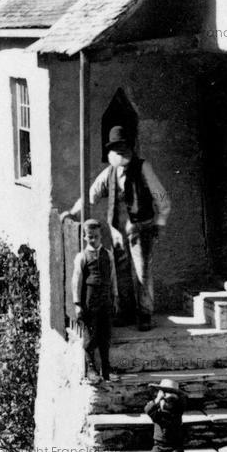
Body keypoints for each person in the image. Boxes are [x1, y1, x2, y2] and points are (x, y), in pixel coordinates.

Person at [62, 125, 171, 331]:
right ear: (110, 152)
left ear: (130, 147)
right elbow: (91, 194)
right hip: (118, 232)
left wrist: (160, 221)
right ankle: (126, 312)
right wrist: (73, 212)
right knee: (121, 271)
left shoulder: (143, 167)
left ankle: (145, 314)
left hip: (140, 228)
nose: (120, 151)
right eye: (115, 148)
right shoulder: (110, 173)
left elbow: (161, 196)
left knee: (142, 271)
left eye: (123, 147)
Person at [71, 219, 118, 382]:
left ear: (101, 236)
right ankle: (91, 368)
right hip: (90, 302)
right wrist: (77, 304)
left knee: (105, 336)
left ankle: (106, 369)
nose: (93, 240)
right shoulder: (82, 257)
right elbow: (76, 281)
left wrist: (115, 296)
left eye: (96, 236)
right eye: (90, 237)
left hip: (105, 300)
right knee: (91, 336)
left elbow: (113, 278)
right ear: (85, 237)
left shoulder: (108, 255)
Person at [145, 379, 187, 452]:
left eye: (170, 402)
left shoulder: (177, 412)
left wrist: (175, 393)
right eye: (164, 401)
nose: (166, 404)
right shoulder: (156, 414)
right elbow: (148, 410)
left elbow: (183, 402)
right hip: (159, 446)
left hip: (175, 446)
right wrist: (159, 398)